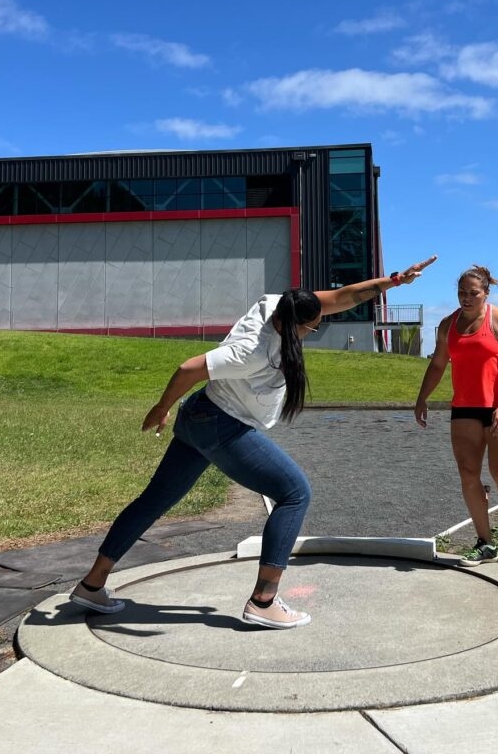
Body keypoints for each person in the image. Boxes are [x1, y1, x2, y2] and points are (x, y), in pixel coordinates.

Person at [70, 255, 437, 628]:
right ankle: (264, 601)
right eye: (312, 329)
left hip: (200, 417)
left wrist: (394, 281)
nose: (314, 330)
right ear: (294, 325)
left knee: (155, 500)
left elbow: (343, 297)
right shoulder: (252, 350)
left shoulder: (280, 304)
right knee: (295, 493)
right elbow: (189, 368)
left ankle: (92, 584)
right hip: (221, 424)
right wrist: (160, 407)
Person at [414, 264, 498, 566]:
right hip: (464, 407)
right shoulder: (447, 325)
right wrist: (422, 397)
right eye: (461, 293)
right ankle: (485, 542)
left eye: (473, 293)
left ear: (486, 293)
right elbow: (438, 364)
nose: (466, 298)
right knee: (468, 476)